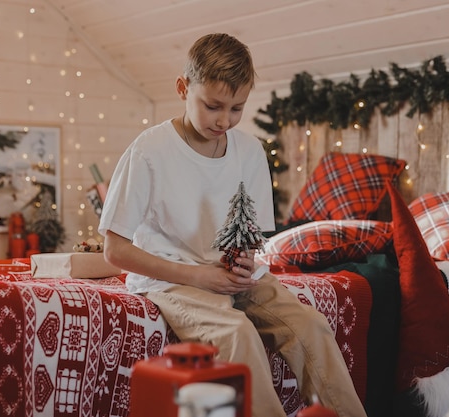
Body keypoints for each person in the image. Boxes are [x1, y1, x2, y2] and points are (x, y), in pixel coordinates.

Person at [98, 33, 367, 417]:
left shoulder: (251, 150)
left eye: (237, 109)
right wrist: (200, 277)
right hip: (174, 281)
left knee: (311, 325)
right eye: (213, 106)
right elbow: (116, 250)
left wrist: (243, 262)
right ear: (182, 88)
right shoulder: (149, 151)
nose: (224, 120)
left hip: (237, 277)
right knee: (237, 334)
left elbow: (252, 235)